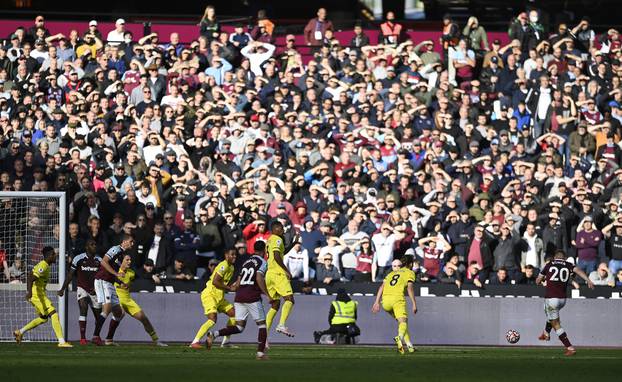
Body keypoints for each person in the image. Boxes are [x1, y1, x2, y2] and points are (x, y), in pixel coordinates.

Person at [206, 241, 270, 360]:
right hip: (252, 296)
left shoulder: (247, 262)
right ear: (264, 251)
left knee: (239, 327)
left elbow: (239, 280)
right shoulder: (262, 262)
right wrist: (267, 294)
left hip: (239, 296)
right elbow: (259, 277)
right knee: (262, 325)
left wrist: (234, 288)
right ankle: (260, 353)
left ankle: (214, 334)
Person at [536, 250, 594, 356]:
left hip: (551, 299)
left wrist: (544, 280)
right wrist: (588, 280)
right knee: (547, 310)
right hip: (562, 300)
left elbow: (537, 281)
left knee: (556, 324)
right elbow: (578, 271)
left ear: (554, 257)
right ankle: (546, 333)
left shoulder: (549, 264)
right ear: (564, 258)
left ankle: (570, 347)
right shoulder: (568, 264)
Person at [13, 246, 72, 347]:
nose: (55, 256)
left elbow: (30, 274)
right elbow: (31, 278)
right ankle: (62, 342)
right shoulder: (43, 266)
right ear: (49, 256)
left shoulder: (44, 265)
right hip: (37, 295)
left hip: (38, 294)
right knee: (53, 314)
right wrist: (30, 292)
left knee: (44, 318)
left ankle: (20, 332)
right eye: (54, 254)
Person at [112, 254, 167, 346]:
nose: (129, 261)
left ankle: (156, 341)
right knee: (120, 314)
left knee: (143, 318)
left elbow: (142, 275)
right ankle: (109, 339)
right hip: (116, 298)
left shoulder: (132, 273)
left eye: (130, 260)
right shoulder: (114, 271)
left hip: (127, 300)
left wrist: (152, 276)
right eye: (127, 260)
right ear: (121, 261)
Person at [189, 248, 238, 349]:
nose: (234, 256)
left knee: (234, 315)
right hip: (210, 295)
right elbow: (215, 282)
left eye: (235, 255)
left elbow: (223, 283)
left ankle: (225, 343)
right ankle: (195, 341)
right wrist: (229, 288)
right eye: (232, 254)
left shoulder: (231, 267)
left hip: (219, 296)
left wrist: (234, 285)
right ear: (226, 255)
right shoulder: (223, 265)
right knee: (212, 319)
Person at [91, 235, 135, 346]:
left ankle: (109, 340)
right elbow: (104, 261)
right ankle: (95, 336)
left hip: (109, 283)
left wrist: (120, 282)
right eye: (131, 241)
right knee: (107, 307)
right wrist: (116, 274)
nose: (132, 244)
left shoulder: (122, 255)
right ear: (124, 241)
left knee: (120, 313)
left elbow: (113, 270)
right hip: (102, 280)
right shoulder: (115, 249)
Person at [57, 239, 102, 345]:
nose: (94, 246)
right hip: (82, 288)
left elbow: (102, 276)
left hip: (95, 291)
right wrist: (63, 289)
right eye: (92, 244)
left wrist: (98, 288)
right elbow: (70, 275)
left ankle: (96, 336)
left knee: (99, 317)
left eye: (95, 244)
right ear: (86, 247)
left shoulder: (99, 260)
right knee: (83, 307)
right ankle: (82, 338)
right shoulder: (78, 258)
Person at [372, 257, 417, 354]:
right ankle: (399, 338)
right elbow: (410, 289)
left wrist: (376, 302)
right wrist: (414, 303)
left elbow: (381, 287)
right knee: (403, 322)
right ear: (410, 264)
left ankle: (409, 347)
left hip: (385, 301)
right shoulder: (409, 272)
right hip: (397, 300)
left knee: (402, 323)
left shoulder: (390, 274)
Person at [265, 220, 295, 338]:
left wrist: (294, 243)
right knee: (289, 299)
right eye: (281, 228)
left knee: (275, 305)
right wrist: (286, 270)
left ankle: (264, 335)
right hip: (278, 274)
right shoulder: (277, 239)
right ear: (276, 229)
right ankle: (281, 324)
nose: (283, 230)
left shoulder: (270, 240)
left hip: (269, 274)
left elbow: (282, 251)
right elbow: (277, 256)